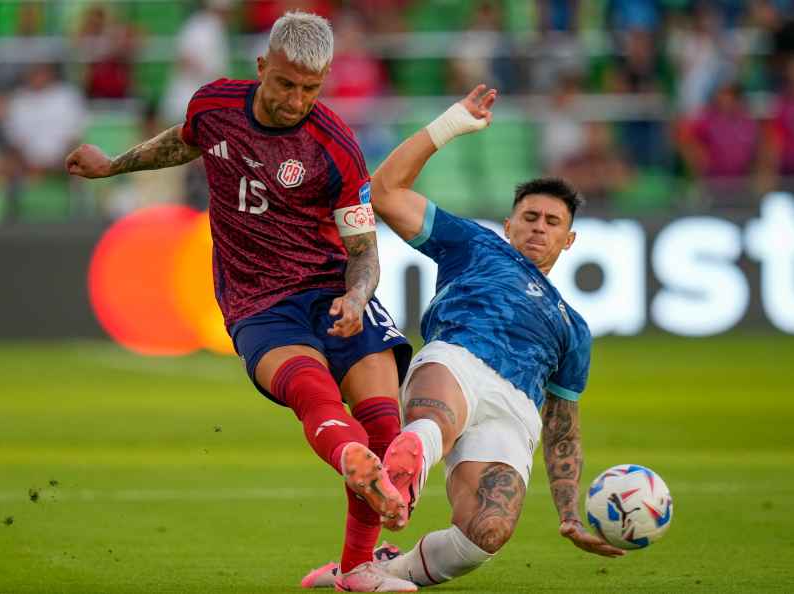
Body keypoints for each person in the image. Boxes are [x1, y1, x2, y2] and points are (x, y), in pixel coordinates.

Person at [65, 11, 417, 592]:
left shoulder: (336, 145)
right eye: (285, 84)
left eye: (310, 87)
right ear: (262, 68)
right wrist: (112, 166)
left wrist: (357, 296)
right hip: (259, 302)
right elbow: (178, 146)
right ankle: (353, 482)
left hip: (332, 291)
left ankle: (356, 567)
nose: (295, 99)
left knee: (383, 423)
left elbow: (363, 249)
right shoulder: (215, 106)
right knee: (315, 395)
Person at [303, 85, 625, 589]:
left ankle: (377, 567)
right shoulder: (476, 244)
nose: (539, 228)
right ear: (509, 223)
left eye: (552, 222)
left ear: (570, 239)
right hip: (458, 357)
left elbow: (562, 426)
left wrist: (567, 513)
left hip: (516, 406)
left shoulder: (573, 327)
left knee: (487, 533)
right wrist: (448, 126)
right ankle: (407, 466)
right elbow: (385, 192)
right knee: (434, 418)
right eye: (530, 217)